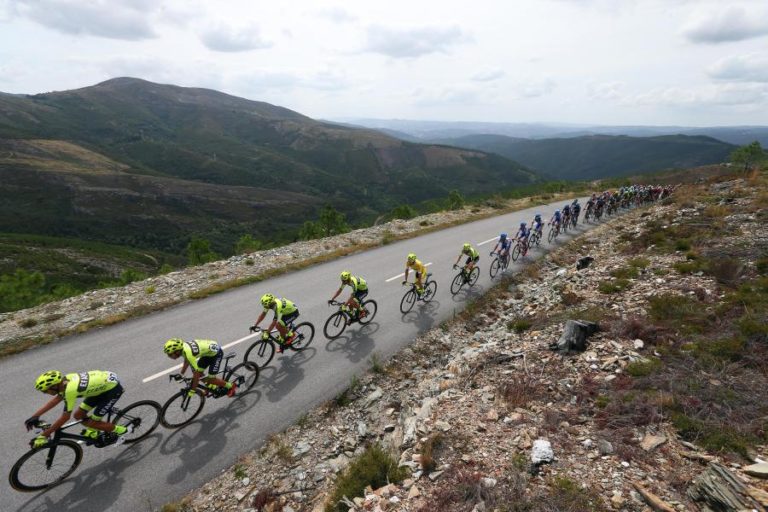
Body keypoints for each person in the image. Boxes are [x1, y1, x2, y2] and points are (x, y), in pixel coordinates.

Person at [26, 370, 131, 448]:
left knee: (94, 421)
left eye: (45, 391)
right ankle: (94, 432)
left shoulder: (70, 390)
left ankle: (123, 431)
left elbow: (65, 417)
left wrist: (44, 435)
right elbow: (56, 400)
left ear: (54, 386)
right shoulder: (64, 381)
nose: (45, 393)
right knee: (78, 415)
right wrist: (35, 416)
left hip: (112, 390)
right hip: (102, 386)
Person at [163, 338, 236, 396]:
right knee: (199, 373)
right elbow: (187, 361)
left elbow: (196, 375)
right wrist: (182, 374)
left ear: (177, 351)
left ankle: (230, 386)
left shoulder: (189, 353)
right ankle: (212, 387)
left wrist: (192, 390)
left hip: (216, 354)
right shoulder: (182, 349)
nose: (169, 356)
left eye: (170, 354)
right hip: (207, 353)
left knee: (210, 379)